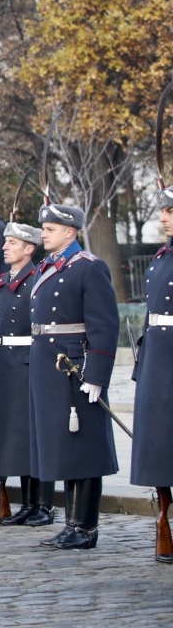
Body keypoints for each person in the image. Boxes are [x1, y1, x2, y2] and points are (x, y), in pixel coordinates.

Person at [28, 203, 119, 551]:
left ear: (70, 232)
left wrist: (96, 374)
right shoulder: (46, 267)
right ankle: (71, 525)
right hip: (49, 366)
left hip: (75, 368)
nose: (43, 234)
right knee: (64, 449)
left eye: (50, 229)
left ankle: (86, 527)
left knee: (84, 450)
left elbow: (104, 325)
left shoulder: (89, 268)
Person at [0, 222, 51, 526]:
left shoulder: (39, 278)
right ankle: (27, 502)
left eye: (12, 242)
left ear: (29, 248)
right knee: (14, 435)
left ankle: (42, 504)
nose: (4, 247)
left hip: (29, 362)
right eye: (5, 242)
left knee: (34, 434)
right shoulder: (1, 280)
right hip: (5, 363)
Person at [133, 187, 173, 562]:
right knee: (161, 447)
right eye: (163, 210)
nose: (162, 217)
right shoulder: (163, 257)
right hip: (159, 357)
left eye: (169, 210)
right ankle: (164, 519)